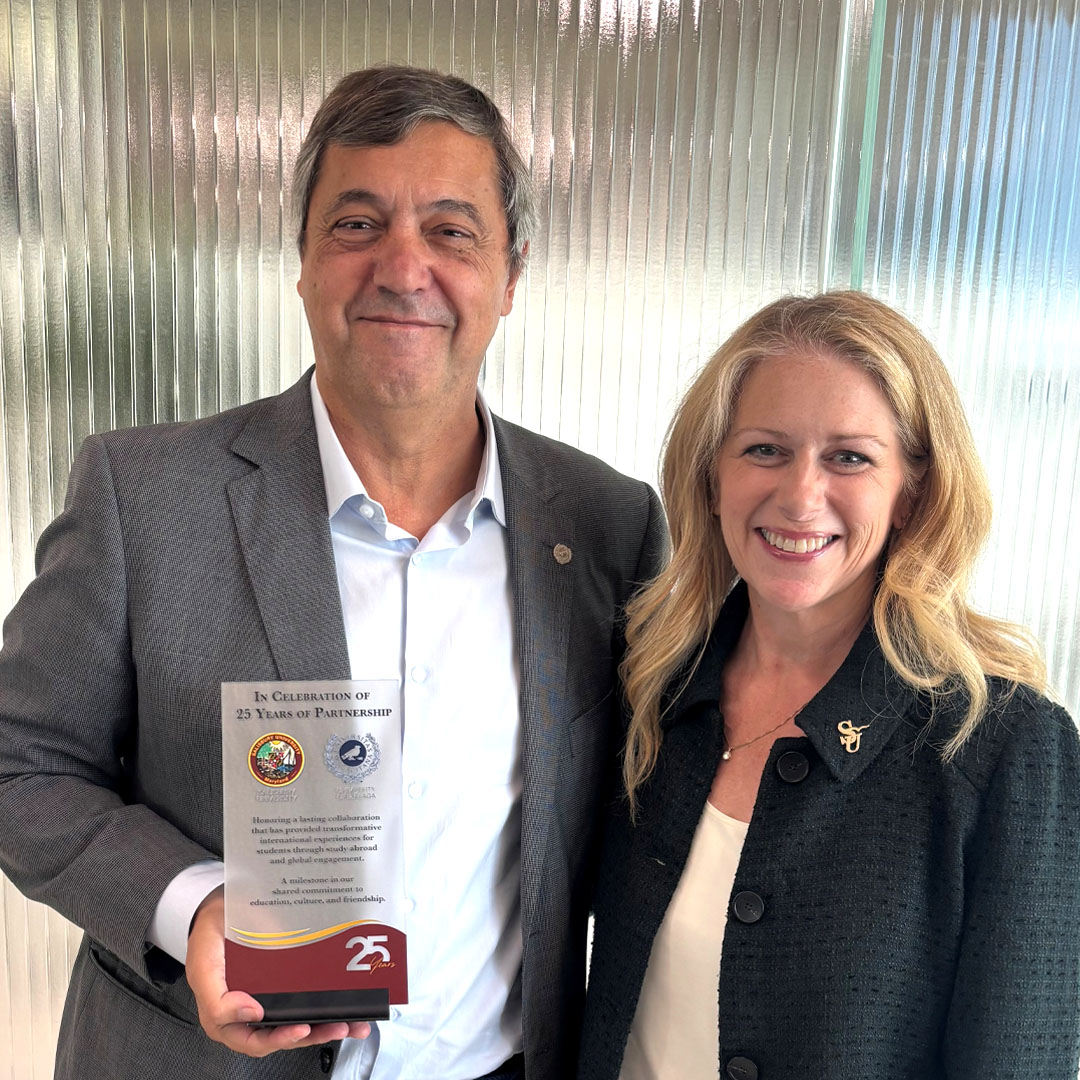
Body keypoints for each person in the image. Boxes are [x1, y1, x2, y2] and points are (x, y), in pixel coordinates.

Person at [0, 65, 665, 1080]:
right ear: (302, 261)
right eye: (358, 225)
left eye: (452, 231)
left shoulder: (606, 528)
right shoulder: (145, 497)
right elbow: (21, 761)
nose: (404, 269)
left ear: (511, 273)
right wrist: (191, 907)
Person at [577, 291, 1080, 1080]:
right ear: (712, 475)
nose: (800, 496)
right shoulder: (651, 695)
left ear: (913, 491)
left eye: (850, 456)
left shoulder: (1006, 751)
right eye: (765, 450)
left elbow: (1018, 1060)